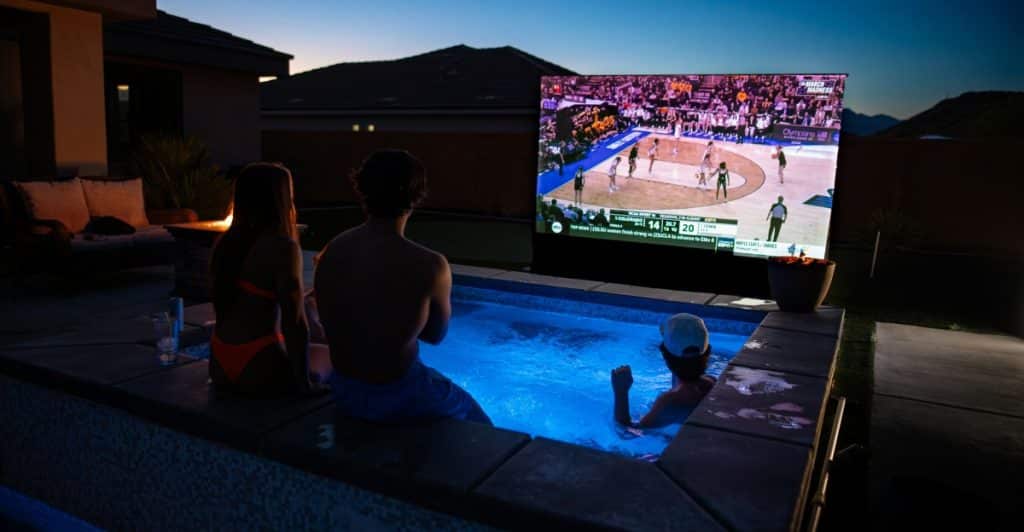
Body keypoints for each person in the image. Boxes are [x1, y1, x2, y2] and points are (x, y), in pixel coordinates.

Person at [315, 149, 491, 425]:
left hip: (346, 388)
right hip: (399, 392)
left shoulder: (332, 252)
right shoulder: (430, 265)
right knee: (480, 424)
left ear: (364, 191)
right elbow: (435, 335)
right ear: (416, 196)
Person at [209, 162, 331, 396]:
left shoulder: (225, 243)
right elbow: (294, 323)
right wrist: (303, 384)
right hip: (259, 362)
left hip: (219, 361)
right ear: (281, 200)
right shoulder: (283, 247)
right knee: (334, 360)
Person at [611, 313, 717, 428]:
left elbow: (628, 431)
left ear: (664, 355)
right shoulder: (711, 383)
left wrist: (621, 392)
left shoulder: (671, 401)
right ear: (708, 351)